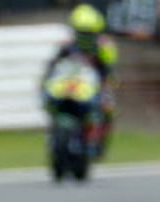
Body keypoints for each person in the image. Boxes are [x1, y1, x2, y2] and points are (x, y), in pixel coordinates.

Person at [44, 3, 119, 158]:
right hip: (71, 85)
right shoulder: (67, 47)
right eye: (81, 31)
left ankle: (98, 141)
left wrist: (106, 82)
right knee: (50, 99)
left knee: (108, 106)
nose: (85, 36)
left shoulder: (104, 47)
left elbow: (108, 70)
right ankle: (53, 135)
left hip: (93, 85)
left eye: (88, 32)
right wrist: (48, 81)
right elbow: (53, 68)